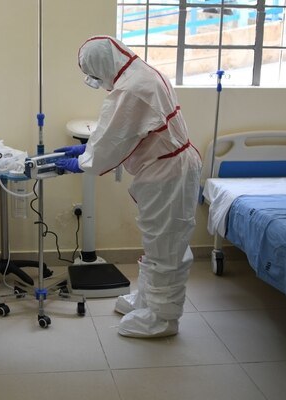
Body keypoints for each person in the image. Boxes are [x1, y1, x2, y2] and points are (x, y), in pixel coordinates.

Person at [55, 36, 202, 338]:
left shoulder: (133, 88)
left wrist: (83, 160)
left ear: (102, 65)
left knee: (166, 247)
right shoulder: (140, 75)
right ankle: (148, 300)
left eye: (95, 76)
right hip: (164, 168)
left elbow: (114, 138)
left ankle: (162, 318)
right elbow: (127, 131)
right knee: (157, 241)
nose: (99, 83)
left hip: (168, 172)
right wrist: (86, 150)